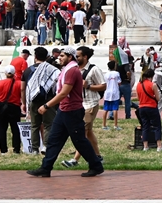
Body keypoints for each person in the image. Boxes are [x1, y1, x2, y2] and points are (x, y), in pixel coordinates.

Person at [27, 46, 104, 178]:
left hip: (72, 111)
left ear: (70, 57)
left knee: (79, 140)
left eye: (62, 56)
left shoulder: (72, 71)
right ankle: (45, 168)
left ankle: (96, 166)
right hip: (64, 110)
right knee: (53, 140)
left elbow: (64, 93)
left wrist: (46, 105)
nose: (59, 58)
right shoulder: (66, 70)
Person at [60, 46, 106, 169]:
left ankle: (75, 159)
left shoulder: (94, 69)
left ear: (85, 57)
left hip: (90, 103)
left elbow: (103, 86)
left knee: (82, 133)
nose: (76, 58)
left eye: (78, 56)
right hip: (79, 104)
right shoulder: (73, 69)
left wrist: (89, 86)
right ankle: (98, 156)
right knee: (88, 132)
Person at [20, 47, 59, 153]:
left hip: (33, 99)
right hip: (49, 100)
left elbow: (23, 88)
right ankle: (46, 146)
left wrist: (24, 103)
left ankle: (34, 148)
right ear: (47, 57)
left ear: (35, 56)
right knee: (48, 124)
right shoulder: (52, 69)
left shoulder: (28, 70)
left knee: (34, 125)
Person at [0, 65, 23, 154]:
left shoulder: (0, 83)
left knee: (2, 128)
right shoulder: (19, 83)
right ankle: (16, 149)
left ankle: (3, 150)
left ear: (5, 73)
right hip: (14, 107)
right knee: (15, 129)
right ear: (14, 73)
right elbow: (21, 96)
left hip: (1, 107)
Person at [136, 68, 162, 152]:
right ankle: (159, 146)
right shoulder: (153, 85)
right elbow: (158, 98)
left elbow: (138, 98)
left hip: (142, 107)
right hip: (151, 107)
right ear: (152, 76)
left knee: (145, 126)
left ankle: (145, 146)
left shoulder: (138, 85)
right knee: (157, 126)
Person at [101, 60, 122, 130]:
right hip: (115, 92)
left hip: (107, 92)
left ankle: (104, 125)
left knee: (105, 109)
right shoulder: (117, 73)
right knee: (115, 109)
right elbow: (119, 82)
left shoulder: (106, 74)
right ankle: (115, 125)